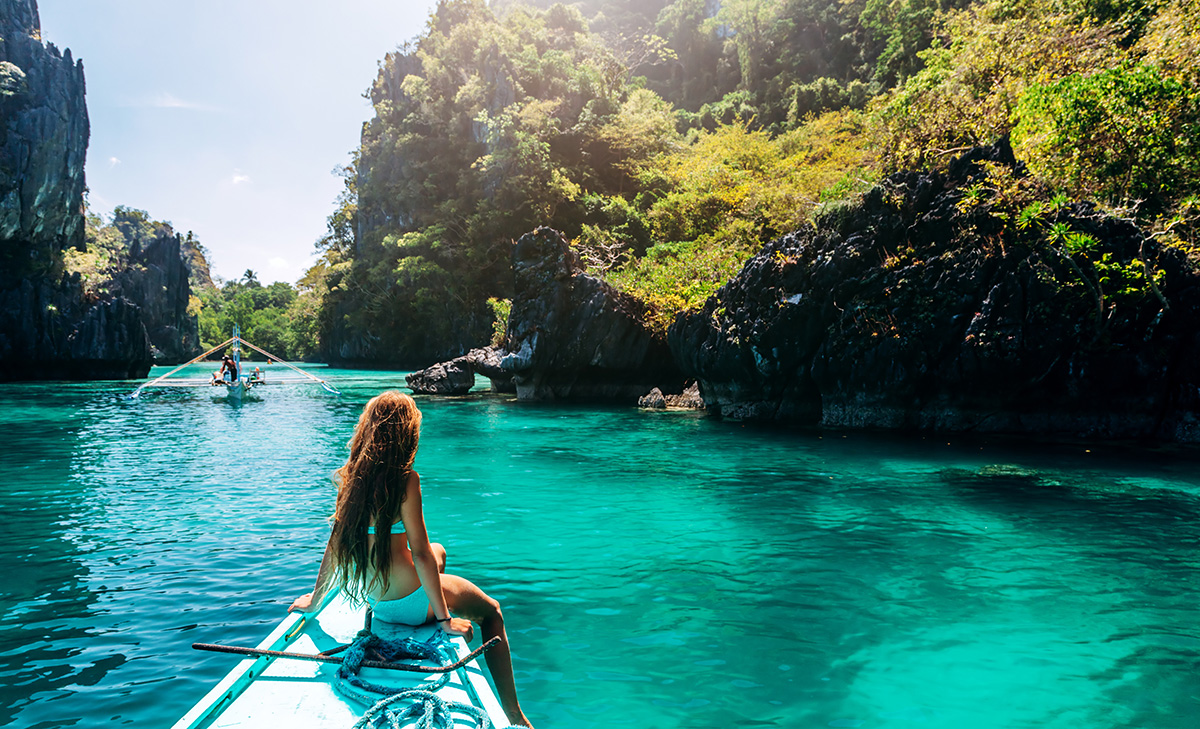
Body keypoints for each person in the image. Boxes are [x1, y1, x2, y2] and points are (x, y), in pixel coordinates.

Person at [289, 391, 532, 727]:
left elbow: (334, 547)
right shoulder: (406, 481)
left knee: (439, 552)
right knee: (490, 611)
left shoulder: (347, 479)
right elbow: (418, 552)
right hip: (413, 604)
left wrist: (315, 601)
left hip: (380, 602)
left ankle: (434, 602)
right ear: (407, 435)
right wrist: (446, 621)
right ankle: (514, 713)